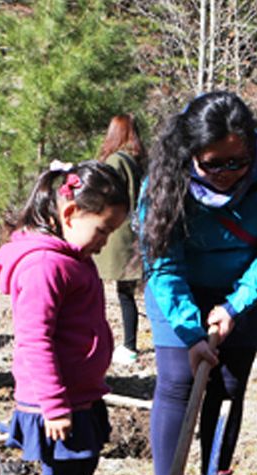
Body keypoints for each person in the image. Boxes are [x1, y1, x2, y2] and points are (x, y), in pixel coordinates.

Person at [139, 91, 257, 475]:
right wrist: (192, 331)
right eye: (214, 164)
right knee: (177, 381)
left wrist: (235, 305)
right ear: (192, 153)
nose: (228, 173)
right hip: (178, 288)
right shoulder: (164, 177)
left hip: (244, 288)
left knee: (229, 386)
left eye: (238, 162)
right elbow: (162, 263)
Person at [0, 160, 130, 475]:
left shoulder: (74, 255)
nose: (104, 242)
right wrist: (53, 405)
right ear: (70, 215)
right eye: (103, 232)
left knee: (81, 470)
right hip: (55, 402)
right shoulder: (45, 266)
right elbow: (35, 341)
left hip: (81, 395)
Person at [95, 114, 146, 367]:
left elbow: (104, 195)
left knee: (115, 292)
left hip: (117, 234)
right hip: (133, 233)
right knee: (126, 293)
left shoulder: (115, 160)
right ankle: (129, 344)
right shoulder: (137, 161)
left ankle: (126, 346)